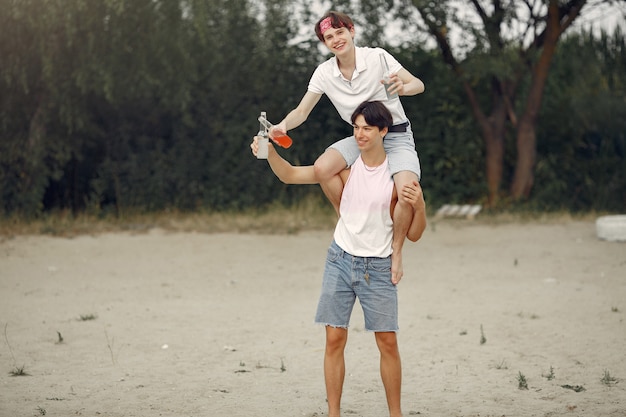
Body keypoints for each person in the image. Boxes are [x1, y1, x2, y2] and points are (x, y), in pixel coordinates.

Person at [252, 101, 426, 417]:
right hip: (340, 260)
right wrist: (269, 153)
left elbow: (415, 234)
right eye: (356, 127)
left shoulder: (397, 178)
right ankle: (334, 413)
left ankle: (396, 414)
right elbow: (290, 175)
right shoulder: (343, 171)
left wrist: (422, 207)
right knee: (334, 339)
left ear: (383, 131)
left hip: (378, 266)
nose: (360, 134)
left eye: (367, 129)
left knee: (387, 343)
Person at [268, 10, 425, 286]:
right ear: (325, 43)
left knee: (405, 192)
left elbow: (418, 84)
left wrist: (403, 87)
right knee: (323, 167)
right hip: (362, 137)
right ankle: (350, 225)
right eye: (329, 36)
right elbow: (302, 111)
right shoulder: (324, 73)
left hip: (396, 135)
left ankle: (396, 251)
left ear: (351, 31)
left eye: (340, 32)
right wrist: (281, 126)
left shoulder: (377, 57)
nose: (336, 39)